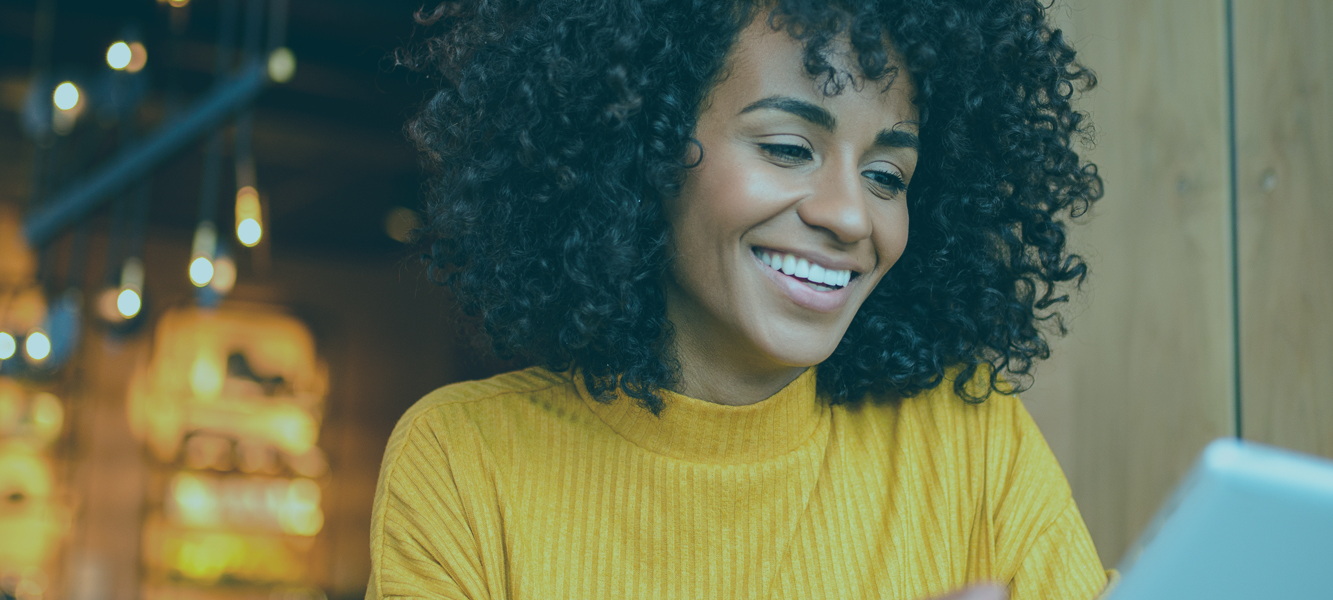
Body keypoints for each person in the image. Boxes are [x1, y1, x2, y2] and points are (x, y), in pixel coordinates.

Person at [371, 0, 1104, 597]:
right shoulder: (464, 463)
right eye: (787, 148)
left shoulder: (971, 439)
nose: (850, 215)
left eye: (887, 175)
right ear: (642, 145)